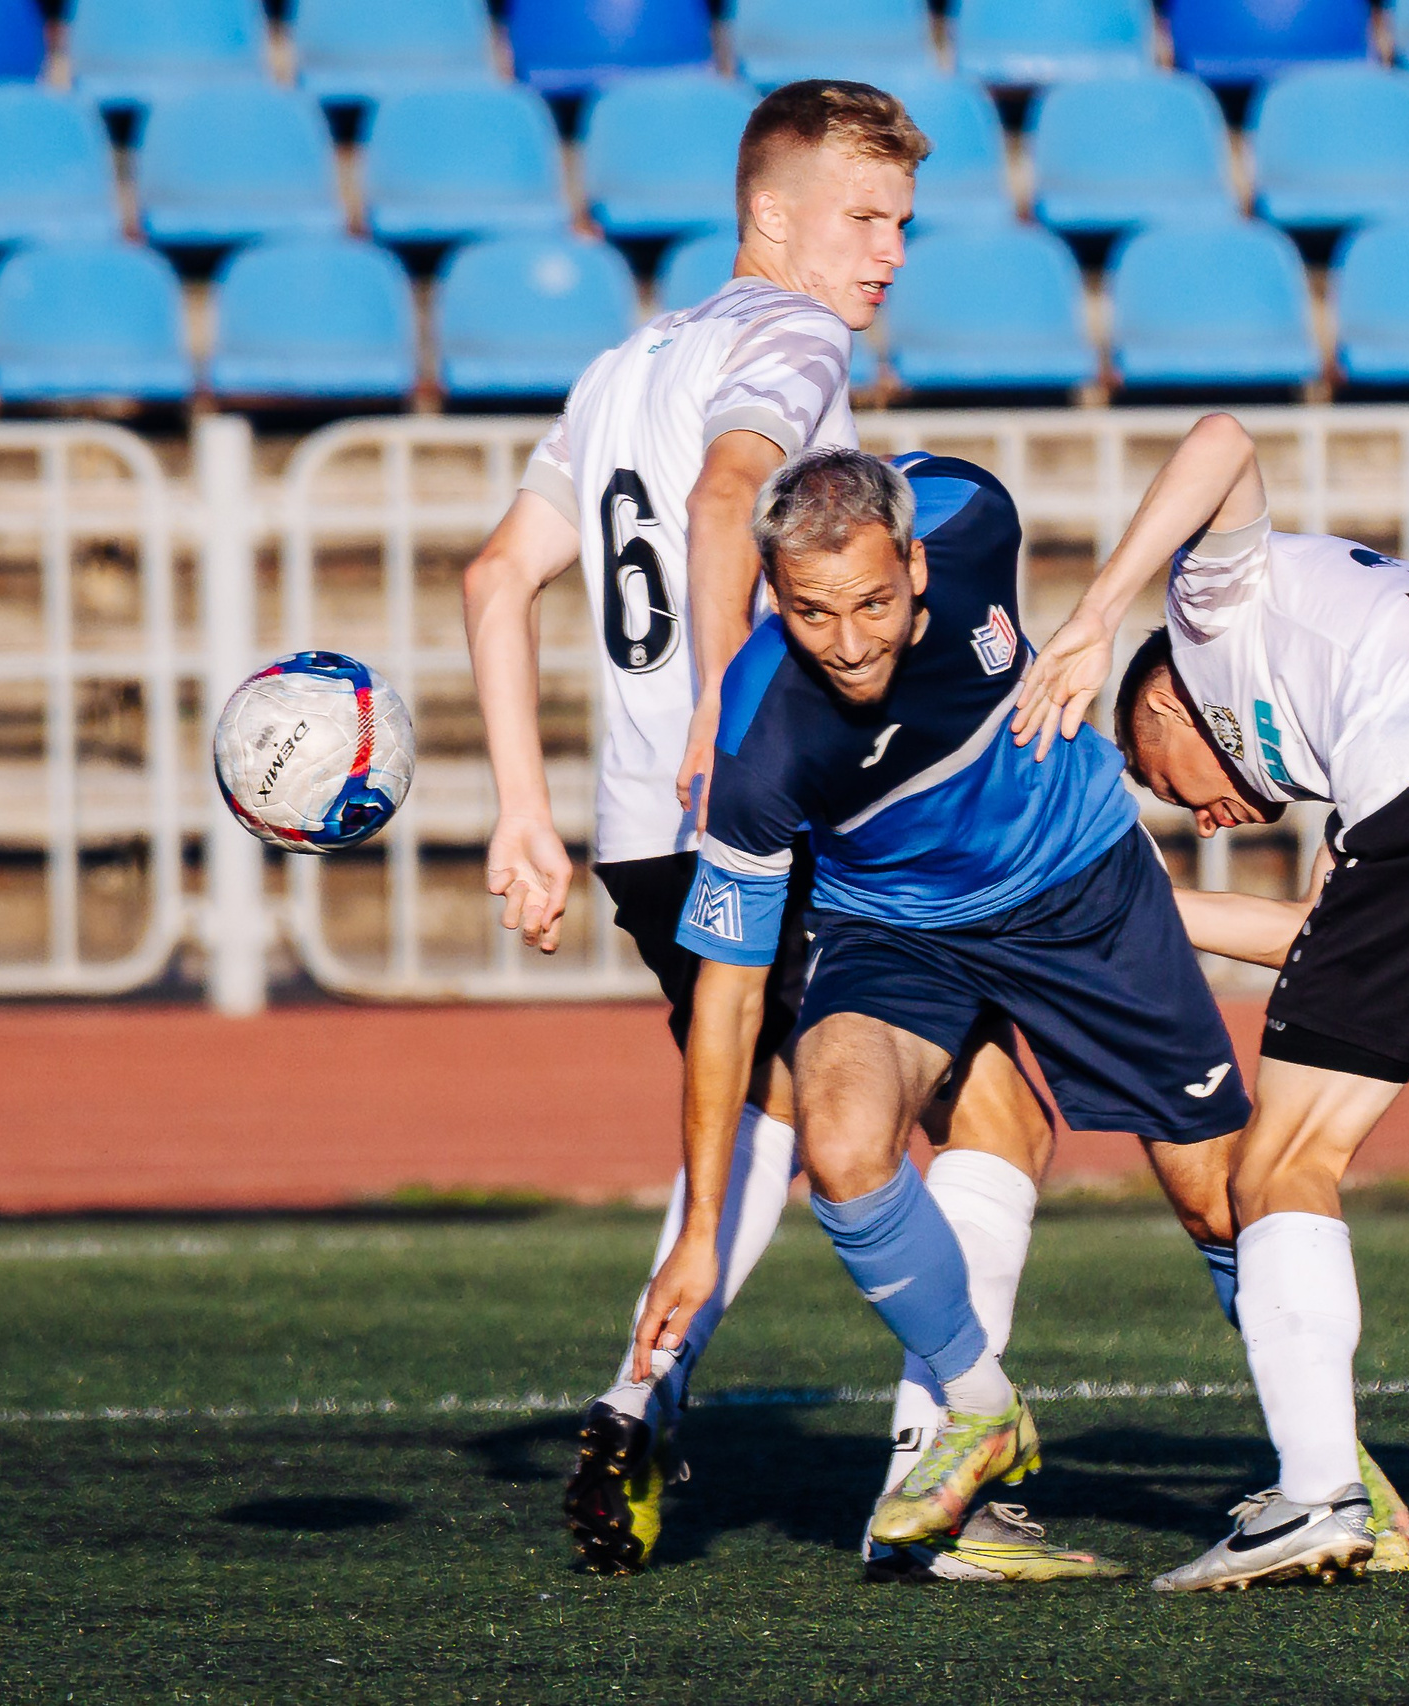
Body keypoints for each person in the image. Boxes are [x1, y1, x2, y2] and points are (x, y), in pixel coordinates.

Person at [459, 79, 1080, 1582]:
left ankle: (640, 1401)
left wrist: (526, 816)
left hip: (633, 834)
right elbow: (733, 492)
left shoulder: (620, 367)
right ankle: (940, 1488)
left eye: (904, 226)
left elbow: (495, 578)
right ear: (771, 216)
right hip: (746, 810)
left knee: (777, 1110)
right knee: (992, 1108)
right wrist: (721, 715)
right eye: (863, 219)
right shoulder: (789, 338)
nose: (888, 255)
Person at [1014, 413, 1409, 1591]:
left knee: (1277, 1164)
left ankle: (1313, 1494)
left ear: (1159, 709)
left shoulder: (1211, 620)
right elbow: (1326, 939)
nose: (1203, 815)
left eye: (1169, 785)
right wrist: (1138, 898)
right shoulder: (1353, 698)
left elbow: (1219, 440)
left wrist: (1097, 615)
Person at [631, 446, 1272, 1561]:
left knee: (1221, 1203)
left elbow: (1219, 448)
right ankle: (980, 1403)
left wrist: (1101, 614)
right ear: (772, 596)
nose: (849, 641)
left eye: (872, 601)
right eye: (811, 612)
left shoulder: (972, 512)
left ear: (917, 564)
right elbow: (728, 1004)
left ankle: (1327, 1466)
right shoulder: (759, 738)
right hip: (894, 929)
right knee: (840, 1142)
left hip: (1081, 886)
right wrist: (698, 1233)